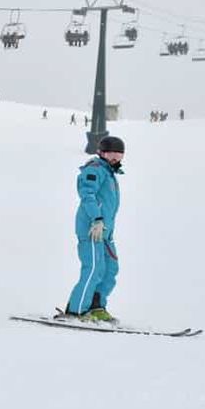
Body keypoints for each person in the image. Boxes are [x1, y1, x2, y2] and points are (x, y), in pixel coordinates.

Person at [64, 136, 125, 322]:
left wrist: (107, 229)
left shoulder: (109, 173)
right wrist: (96, 218)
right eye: (110, 154)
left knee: (110, 270)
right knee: (93, 268)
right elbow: (87, 194)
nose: (114, 158)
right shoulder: (95, 169)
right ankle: (76, 310)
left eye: (118, 154)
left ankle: (96, 306)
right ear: (101, 153)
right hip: (92, 227)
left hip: (105, 232)